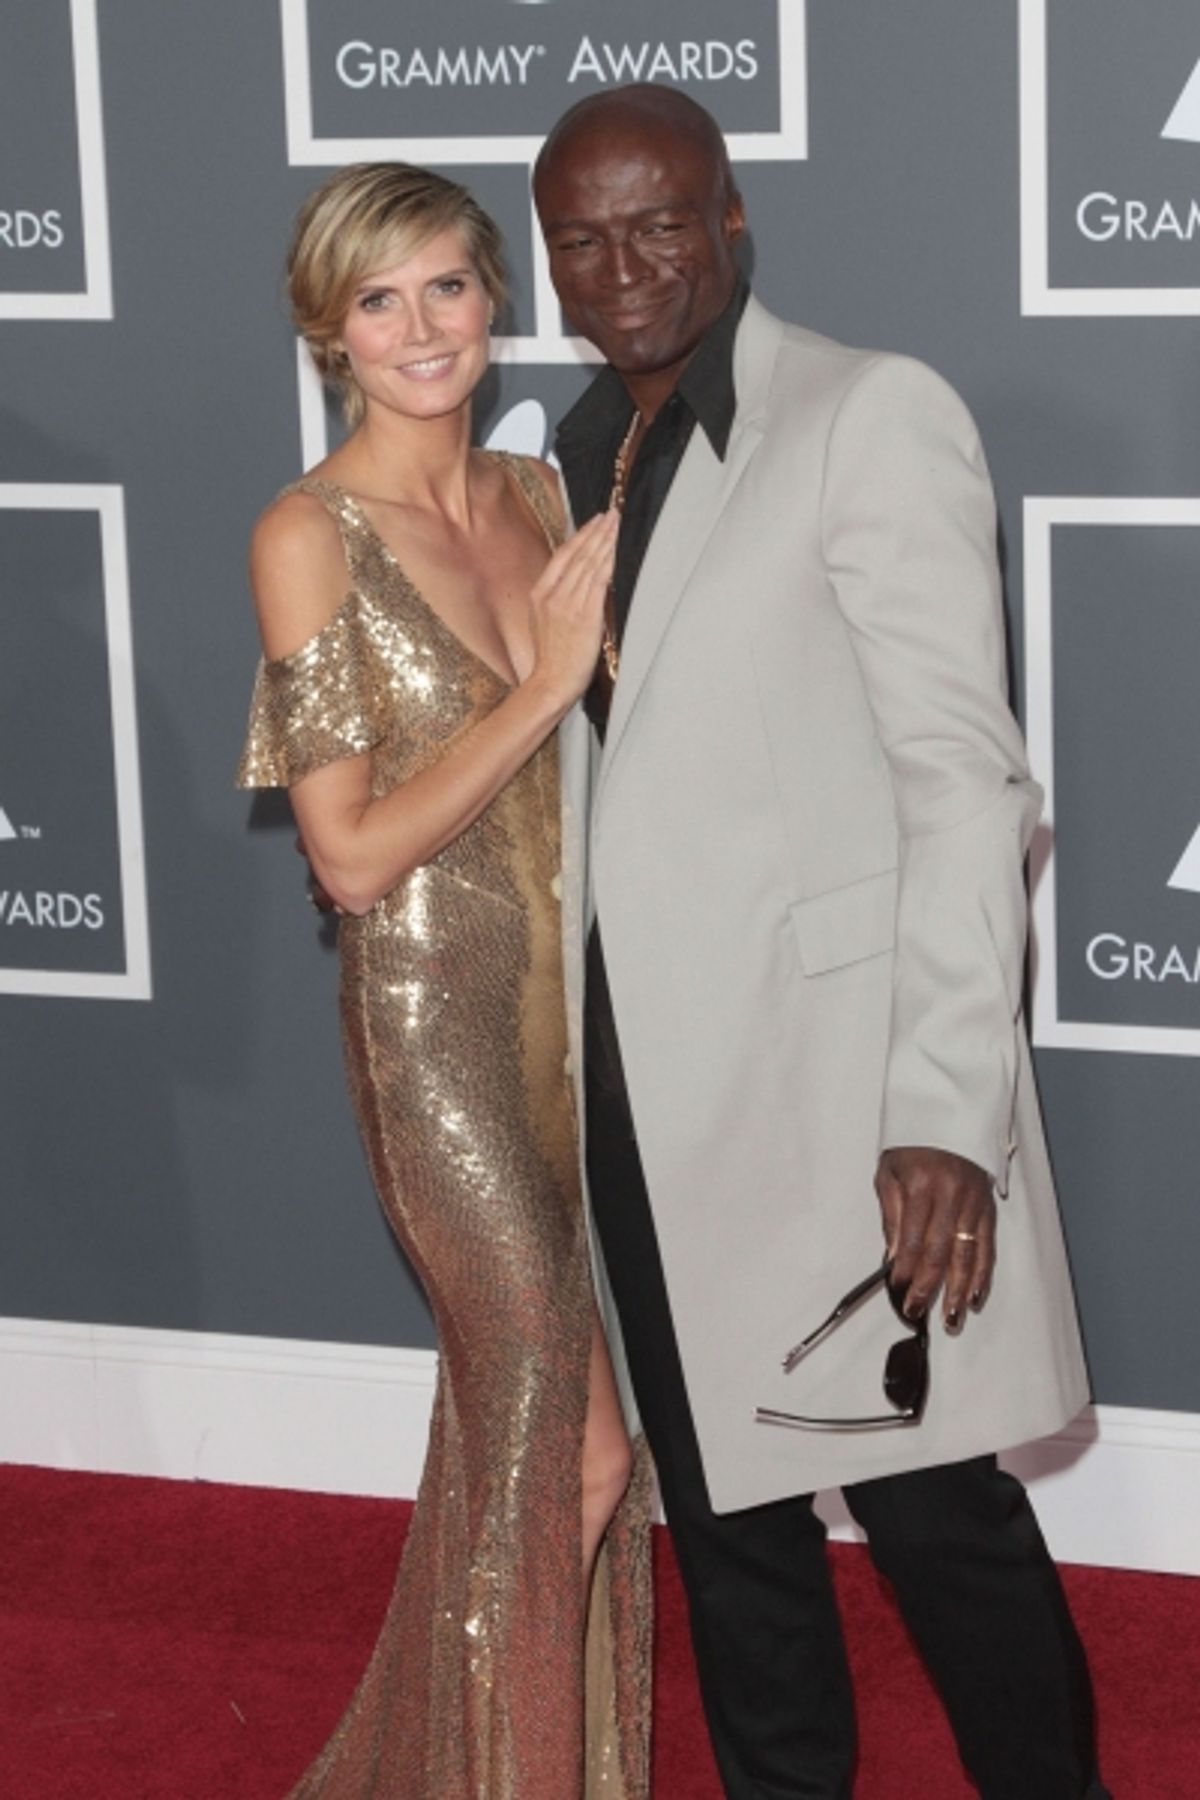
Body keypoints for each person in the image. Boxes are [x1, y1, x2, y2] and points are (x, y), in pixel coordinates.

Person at [533, 85, 1110, 1798]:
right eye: (583, 235)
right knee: (726, 1530)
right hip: (647, 1104)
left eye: (661, 222)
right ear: (550, 256)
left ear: (731, 224)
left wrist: (944, 1106)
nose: (624, 264)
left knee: (937, 1510)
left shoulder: (869, 414)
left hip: (841, 1099)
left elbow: (964, 777)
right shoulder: (553, 462)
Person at [236, 162, 651, 1800]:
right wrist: (546, 685)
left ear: (497, 300)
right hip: (441, 1042)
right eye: (380, 299)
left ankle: (440, 1764)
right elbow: (346, 855)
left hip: (580, 1027)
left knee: (534, 1463)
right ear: (331, 330)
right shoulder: (306, 531)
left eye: (450, 287)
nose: (423, 328)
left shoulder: (539, 499)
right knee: (578, 1456)